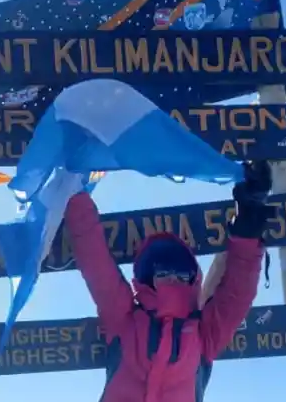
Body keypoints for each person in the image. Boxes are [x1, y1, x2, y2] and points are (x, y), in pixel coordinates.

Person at [63, 161, 271, 402]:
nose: (172, 280)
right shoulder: (125, 319)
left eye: (180, 274)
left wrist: (249, 224)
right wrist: (74, 195)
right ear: (147, 279)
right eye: (163, 273)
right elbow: (95, 263)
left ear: (192, 279)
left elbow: (238, 293)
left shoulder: (205, 334)